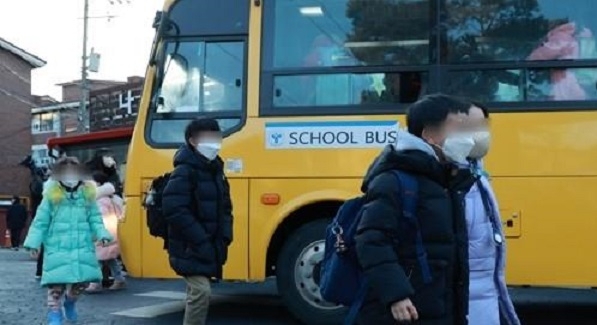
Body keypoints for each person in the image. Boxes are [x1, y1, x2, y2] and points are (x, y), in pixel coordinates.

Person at [354, 94, 476, 325]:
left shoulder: (446, 179)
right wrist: (396, 294)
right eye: (457, 128)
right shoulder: (395, 180)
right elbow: (371, 239)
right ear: (429, 135)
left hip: (439, 305)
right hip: (409, 310)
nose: (466, 137)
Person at [23, 157, 113, 325]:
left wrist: (102, 234)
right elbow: (40, 221)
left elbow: (95, 219)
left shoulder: (87, 196)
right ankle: (54, 313)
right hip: (57, 247)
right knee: (55, 286)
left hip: (82, 246)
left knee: (81, 284)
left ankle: (70, 302)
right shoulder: (51, 196)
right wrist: (33, 242)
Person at [162, 118, 234, 325]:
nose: (215, 142)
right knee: (201, 292)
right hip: (189, 246)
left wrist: (226, 236)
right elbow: (174, 209)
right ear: (193, 141)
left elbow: (226, 208)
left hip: (208, 244)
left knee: (197, 293)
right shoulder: (184, 171)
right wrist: (200, 239)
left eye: (217, 136)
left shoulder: (215, 170)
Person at [460, 103, 520, 325]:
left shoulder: (477, 174)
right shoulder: (448, 180)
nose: (480, 133)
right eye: (470, 126)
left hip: (484, 294)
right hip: (467, 296)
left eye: (483, 125)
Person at [86, 171, 127, 293]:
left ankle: (95, 283)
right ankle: (119, 279)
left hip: (103, 232)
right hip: (112, 231)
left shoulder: (100, 200)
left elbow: (99, 217)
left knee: (97, 259)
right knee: (110, 258)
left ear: (97, 183)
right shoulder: (112, 197)